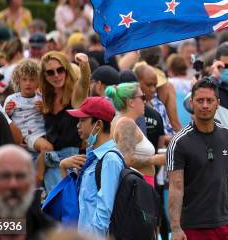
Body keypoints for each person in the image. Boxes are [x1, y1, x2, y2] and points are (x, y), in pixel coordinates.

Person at [167, 77, 228, 239]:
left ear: (218, 103)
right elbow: (176, 188)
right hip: (193, 225)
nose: (204, 105)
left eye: (209, 100)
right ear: (191, 103)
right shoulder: (179, 142)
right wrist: (175, 228)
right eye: (200, 100)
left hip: (226, 222)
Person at [61, 97, 124, 237]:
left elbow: (104, 210)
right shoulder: (91, 157)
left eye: (83, 120)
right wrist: (63, 167)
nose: (78, 125)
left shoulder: (109, 159)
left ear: (98, 124)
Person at [0, 145, 56, 240]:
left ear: (33, 182)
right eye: (4, 176)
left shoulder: (51, 233)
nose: (13, 185)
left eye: (20, 176)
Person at [39, 51, 90, 192]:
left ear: (67, 69)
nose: (56, 75)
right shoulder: (45, 98)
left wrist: (84, 64)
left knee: (69, 209)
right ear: (45, 76)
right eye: (50, 72)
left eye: (60, 70)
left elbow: (84, 82)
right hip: (50, 164)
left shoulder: (75, 96)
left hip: (73, 163)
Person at [4, 59, 53, 183]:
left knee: (47, 147)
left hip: (41, 134)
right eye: (24, 79)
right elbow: (5, 119)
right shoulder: (12, 99)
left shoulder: (42, 98)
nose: (28, 83)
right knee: (47, 147)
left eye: (32, 79)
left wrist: (44, 109)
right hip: (26, 135)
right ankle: (39, 175)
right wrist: (7, 111)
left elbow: (50, 116)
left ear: (38, 81)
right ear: (18, 81)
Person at [108, 82, 164, 186]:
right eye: (142, 97)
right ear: (131, 102)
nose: (145, 101)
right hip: (138, 186)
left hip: (138, 184)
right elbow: (127, 160)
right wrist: (154, 159)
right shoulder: (126, 123)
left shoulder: (119, 120)